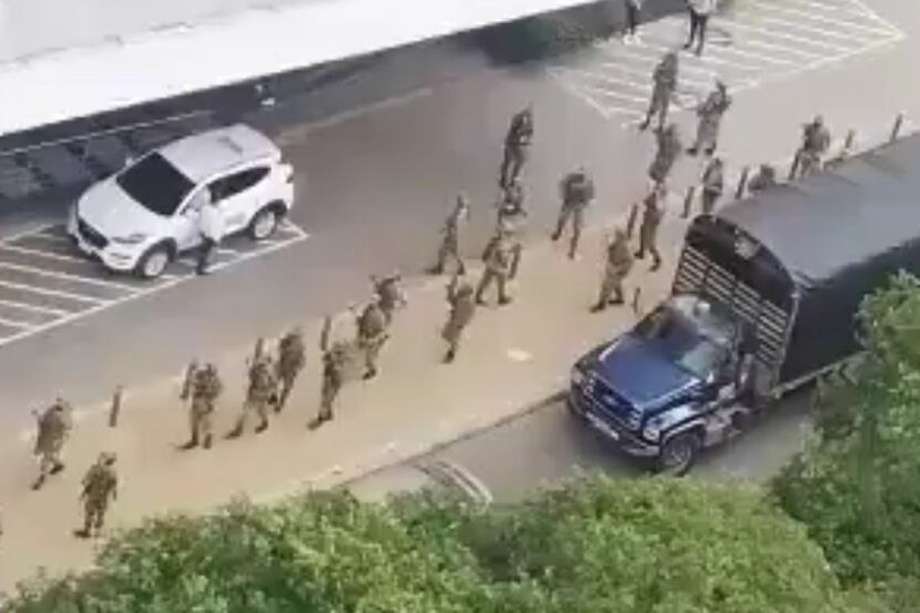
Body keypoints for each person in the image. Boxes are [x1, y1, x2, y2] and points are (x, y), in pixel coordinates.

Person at [309, 316, 354, 431]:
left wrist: (326, 328)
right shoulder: (341, 353)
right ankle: (327, 413)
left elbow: (324, 348)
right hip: (333, 376)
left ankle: (322, 417)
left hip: (332, 377)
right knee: (328, 396)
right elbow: (324, 347)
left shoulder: (337, 355)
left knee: (326, 397)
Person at [226, 356, 277, 438]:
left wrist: (272, 394)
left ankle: (240, 430)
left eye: (262, 366)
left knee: (257, 411)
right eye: (260, 366)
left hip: (260, 396)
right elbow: (251, 376)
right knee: (248, 412)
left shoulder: (267, 375)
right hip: (254, 395)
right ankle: (239, 430)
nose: (261, 368)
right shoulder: (256, 372)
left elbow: (272, 385)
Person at [551, 168, 596, 259]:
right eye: (578, 176)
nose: (579, 179)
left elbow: (591, 195)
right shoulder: (570, 179)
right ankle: (558, 233)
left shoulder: (587, 183)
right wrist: (564, 197)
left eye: (581, 177)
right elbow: (562, 186)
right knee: (562, 220)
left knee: (576, 228)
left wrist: (586, 202)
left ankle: (572, 250)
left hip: (578, 205)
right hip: (570, 203)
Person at [32, 398, 73, 491]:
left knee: (46, 458)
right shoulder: (51, 412)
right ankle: (59, 465)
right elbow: (42, 421)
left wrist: (60, 439)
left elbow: (67, 428)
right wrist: (37, 415)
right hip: (46, 439)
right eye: (57, 404)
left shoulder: (64, 417)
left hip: (53, 441)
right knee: (48, 455)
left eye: (60, 405)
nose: (58, 406)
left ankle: (42, 476)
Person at [75, 452, 118, 539]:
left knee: (89, 512)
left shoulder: (94, 470)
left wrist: (82, 493)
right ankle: (97, 531)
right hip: (104, 497)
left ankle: (87, 530)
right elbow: (113, 485)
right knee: (100, 514)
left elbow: (86, 482)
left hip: (93, 495)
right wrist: (114, 496)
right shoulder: (113, 472)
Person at [180, 363, 222, 450]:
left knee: (205, 422)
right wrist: (185, 394)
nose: (201, 375)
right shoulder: (195, 378)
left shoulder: (211, 379)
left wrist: (211, 396)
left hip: (205, 402)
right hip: (198, 402)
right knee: (195, 421)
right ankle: (196, 439)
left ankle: (206, 439)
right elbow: (188, 386)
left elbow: (218, 389)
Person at [592, 228, 634, 313]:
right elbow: (609, 250)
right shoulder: (616, 244)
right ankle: (620, 299)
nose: (615, 237)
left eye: (617, 236)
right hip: (613, 267)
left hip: (618, 270)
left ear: (622, 238)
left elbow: (629, 262)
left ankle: (601, 304)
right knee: (616, 284)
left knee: (606, 286)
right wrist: (607, 243)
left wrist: (617, 269)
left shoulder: (625, 249)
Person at [475, 227, 520, 306]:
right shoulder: (499, 241)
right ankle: (500, 297)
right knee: (492, 280)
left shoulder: (504, 241)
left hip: (495, 264)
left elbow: (515, 255)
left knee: (490, 280)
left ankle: (480, 296)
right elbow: (496, 251)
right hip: (497, 264)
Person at [429, 194, 470, 276]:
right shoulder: (459, 210)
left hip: (453, 235)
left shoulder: (462, 211)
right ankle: (460, 268)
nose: (458, 201)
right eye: (459, 200)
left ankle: (441, 268)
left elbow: (455, 222)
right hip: (453, 235)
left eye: (460, 200)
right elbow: (451, 220)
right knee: (449, 252)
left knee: (445, 251)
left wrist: (449, 227)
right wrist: (446, 226)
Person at [688, 80, 731, 156]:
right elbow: (715, 128)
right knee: (715, 105)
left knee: (713, 104)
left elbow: (699, 143)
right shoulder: (710, 139)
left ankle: (722, 93)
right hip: (711, 118)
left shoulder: (705, 140)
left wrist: (694, 150)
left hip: (709, 118)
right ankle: (723, 92)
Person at [441, 273, 477, 363]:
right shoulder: (468, 302)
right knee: (452, 336)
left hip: (456, 322)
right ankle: (452, 351)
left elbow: (452, 301)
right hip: (459, 322)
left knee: (452, 337)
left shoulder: (463, 301)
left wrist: (451, 289)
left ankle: (451, 353)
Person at [639, 52, 678, 132]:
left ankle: (660, 126)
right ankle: (648, 121)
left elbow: (673, 84)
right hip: (658, 90)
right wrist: (664, 80)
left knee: (663, 110)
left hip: (665, 92)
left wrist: (668, 84)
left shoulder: (672, 72)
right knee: (653, 107)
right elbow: (655, 77)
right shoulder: (661, 68)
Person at [499, 106, 534, 188]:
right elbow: (521, 131)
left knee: (516, 161)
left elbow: (528, 133)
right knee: (516, 161)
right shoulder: (522, 119)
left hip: (513, 143)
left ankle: (510, 180)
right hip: (514, 143)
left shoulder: (523, 120)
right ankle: (509, 179)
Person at [355, 300, 389, 380]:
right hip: (375, 337)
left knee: (369, 355)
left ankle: (372, 370)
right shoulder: (378, 314)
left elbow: (365, 326)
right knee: (369, 354)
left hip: (374, 338)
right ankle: (371, 370)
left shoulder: (372, 314)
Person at [275, 327, 306, 413]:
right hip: (282, 366)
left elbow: (302, 360)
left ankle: (280, 404)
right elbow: (280, 349)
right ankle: (275, 398)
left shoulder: (300, 346)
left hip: (290, 369)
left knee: (286, 388)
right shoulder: (286, 342)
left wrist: (297, 368)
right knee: (276, 383)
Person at [635, 187, 665, 272]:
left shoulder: (658, 193)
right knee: (643, 232)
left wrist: (648, 201)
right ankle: (641, 252)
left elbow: (650, 202)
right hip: (651, 217)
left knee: (650, 242)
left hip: (651, 218)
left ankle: (657, 260)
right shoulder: (658, 191)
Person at [196, 190, 223, 275]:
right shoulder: (216, 212)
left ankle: (200, 266)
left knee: (204, 250)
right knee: (209, 252)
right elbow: (216, 225)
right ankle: (201, 269)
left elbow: (202, 220)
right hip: (212, 235)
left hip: (204, 233)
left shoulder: (205, 208)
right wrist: (217, 237)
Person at [649, 124, 683, 190]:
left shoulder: (666, 138)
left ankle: (656, 188)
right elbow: (679, 151)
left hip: (662, 159)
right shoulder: (677, 142)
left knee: (657, 173)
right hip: (666, 161)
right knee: (661, 173)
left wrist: (656, 132)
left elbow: (659, 139)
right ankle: (657, 187)